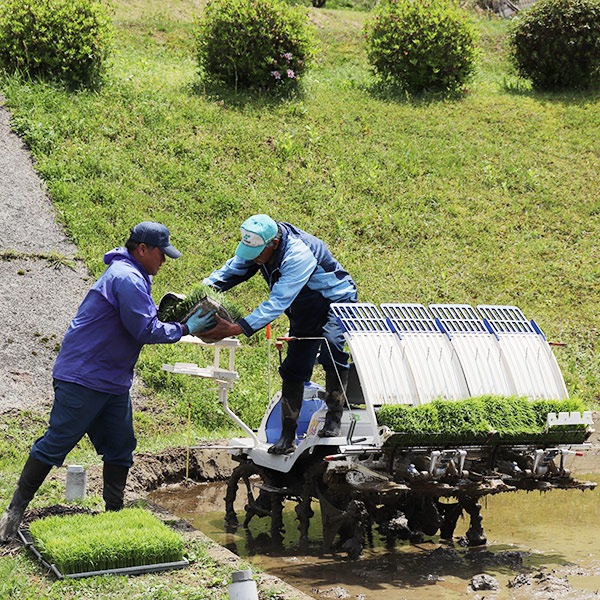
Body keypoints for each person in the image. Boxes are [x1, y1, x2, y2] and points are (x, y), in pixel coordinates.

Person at [0, 221, 216, 543]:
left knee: (120, 447)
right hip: (84, 377)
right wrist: (186, 329)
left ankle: (113, 514)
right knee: (57, 442)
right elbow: (144, 331)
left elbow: (141, 321)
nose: (164, 260)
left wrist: (167, 318)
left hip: (112, 380)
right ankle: (14, 513)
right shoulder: (126, 278)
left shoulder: (134, 277)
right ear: (142, 249)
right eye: (161, 253)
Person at [201, 214, 358, 455]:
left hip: (335, 301)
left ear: (273, 243)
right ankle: (287, 436)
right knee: (294, 367)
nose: (253, 259)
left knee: (331, 349)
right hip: (304, 305)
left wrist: (237, 327)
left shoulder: (298, 254)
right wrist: (200, 292)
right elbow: (230, 271)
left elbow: (278, 301)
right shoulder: (260, 247)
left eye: (257, 253)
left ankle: (334, 419)